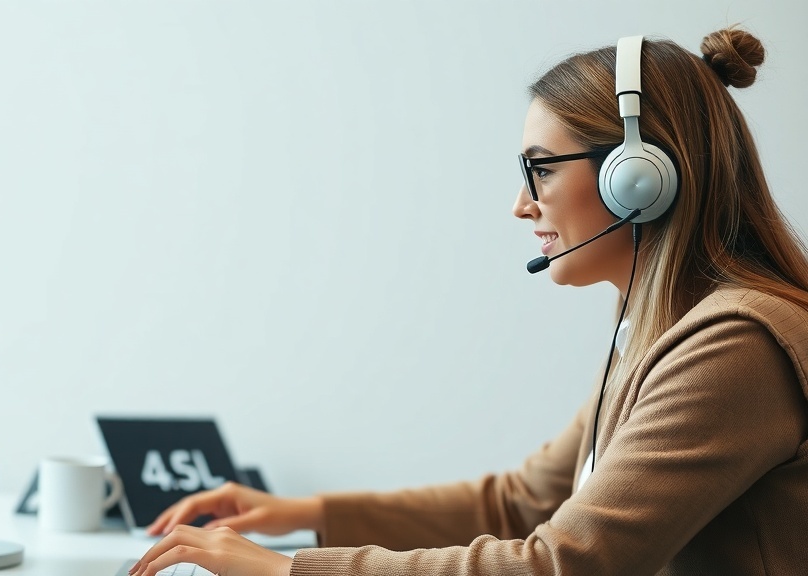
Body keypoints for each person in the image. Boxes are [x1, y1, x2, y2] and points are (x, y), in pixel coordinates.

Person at [129, 26, 808, 575]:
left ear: (641, 178)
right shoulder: (658, 331)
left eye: (540, 170)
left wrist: (285, 572)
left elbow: (564, 564)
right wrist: (297, 512)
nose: (521, 205)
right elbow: (521, 502)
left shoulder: (735, 346)